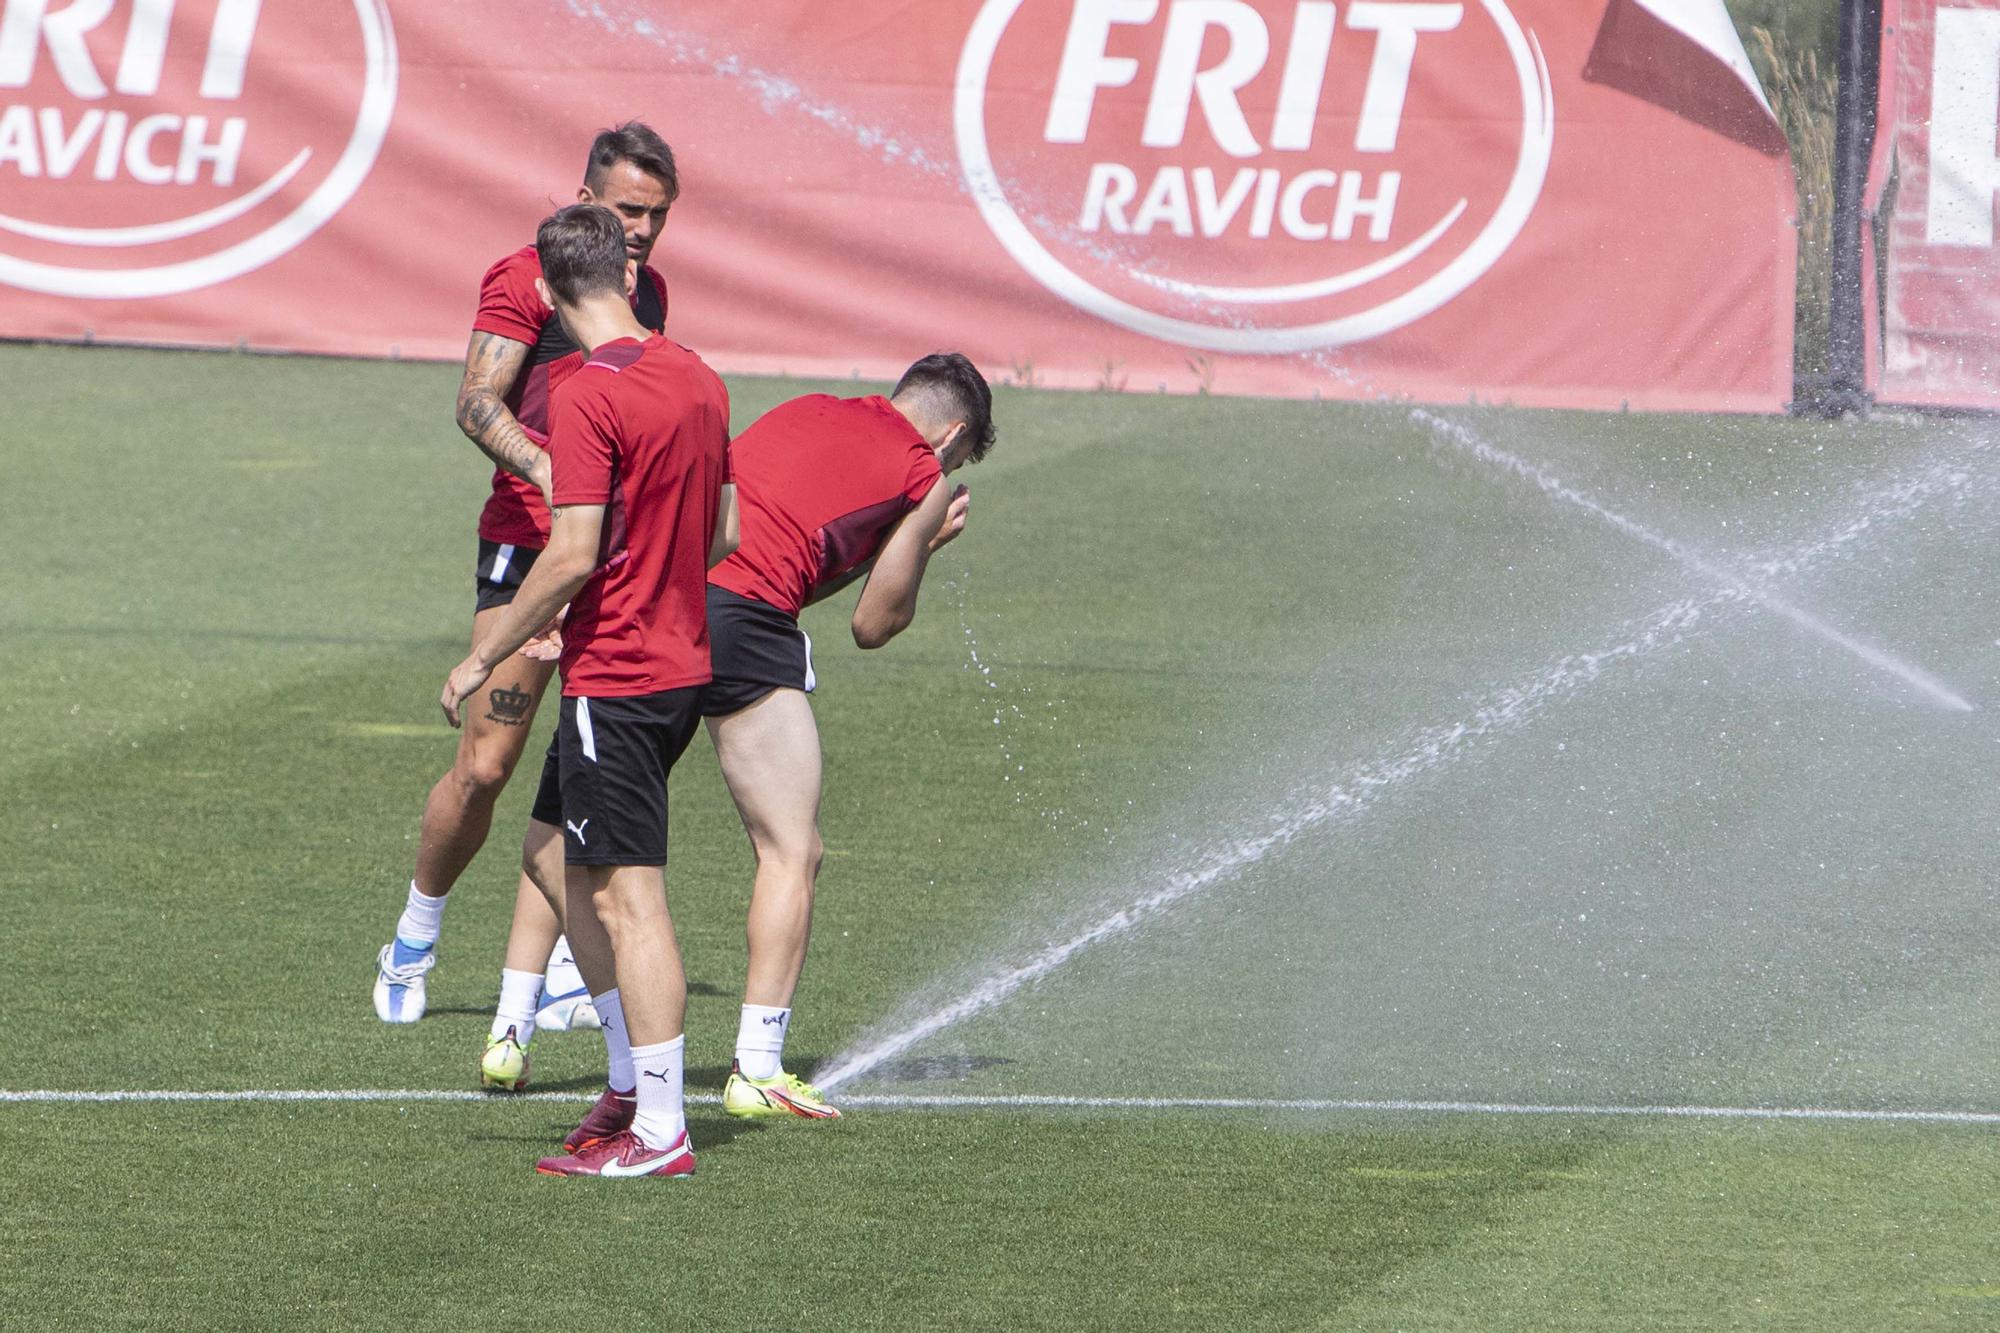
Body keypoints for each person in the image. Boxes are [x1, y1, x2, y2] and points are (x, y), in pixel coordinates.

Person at [539, 354, 993, 1148]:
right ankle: (758, 1066)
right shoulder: (921, 474)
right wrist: (925, 541)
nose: (946, 471)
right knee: (792, 848)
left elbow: (768, 542)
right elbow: (872, 624)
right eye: (957, 458)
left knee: (585, 855)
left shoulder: (810, 404)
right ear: (951, 435)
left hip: (659, 605)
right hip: (747, 625)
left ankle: (617, 1062)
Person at [372, 124, 679, 1059]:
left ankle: (547, 978)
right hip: (523, 544)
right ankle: (414, 938)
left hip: (605, 557)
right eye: (629, 210)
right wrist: (557, 478)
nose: (644, 233)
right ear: (583, 197)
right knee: (489, 763)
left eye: (658, 216)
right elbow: (476, 402)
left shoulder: (650, 293)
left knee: (585, 771)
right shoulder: (523, 277)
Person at [442, 202, 734, 1179]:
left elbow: (568, 553)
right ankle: (625, 1078)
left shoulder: (582, 390)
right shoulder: (697, 376)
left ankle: (660, 1129)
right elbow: (720, 531)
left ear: (551, 294)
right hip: (678, 662)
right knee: (550, 860)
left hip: (618, 675)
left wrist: (484, 660)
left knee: (627, 903)